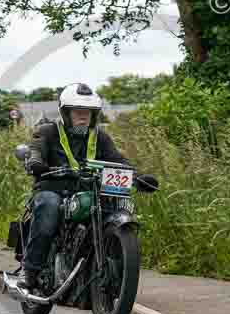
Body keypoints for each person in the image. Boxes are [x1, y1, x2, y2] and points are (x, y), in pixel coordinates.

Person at [20, 82, 158, 290]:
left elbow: (117, 160)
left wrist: (137, 177)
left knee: (111, 210)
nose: (83, 117)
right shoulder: (47, 131)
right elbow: (36, 149)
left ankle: (108, 269)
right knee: (48, 206)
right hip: (54, 188)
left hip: (89, 191)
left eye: (88, 113)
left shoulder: (100, 137)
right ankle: (30, 271)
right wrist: (35, 161)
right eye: (78, 112)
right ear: (66, 114)